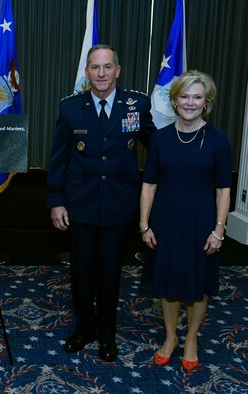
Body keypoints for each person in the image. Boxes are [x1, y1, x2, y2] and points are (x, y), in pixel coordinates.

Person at [47, 44, 156, 362]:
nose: (102, 73)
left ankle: (107, 335)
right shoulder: (70, 109)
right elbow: (58, 159)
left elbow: (156, 147)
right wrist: (56, 201)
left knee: (110, 273)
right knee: (81, 272)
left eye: (108, 67)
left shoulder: (136, 105)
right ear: (87, 72)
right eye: (95, 67)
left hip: (119, 205)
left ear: (118, 70)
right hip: (80, 204)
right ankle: (83, 329)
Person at [139, 70, 231, 371]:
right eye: (184, 96)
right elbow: (149, 184)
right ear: (175, 100)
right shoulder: (161, 139)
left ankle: (191, 338)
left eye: (197, 97)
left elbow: (223, 189)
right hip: (166, 219)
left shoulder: (219, 139)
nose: (190, 102)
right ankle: (170, 337)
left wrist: (219, 230)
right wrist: (144, 225)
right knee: (167, 281)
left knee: (198, 284)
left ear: (206, 102)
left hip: (202, 221)